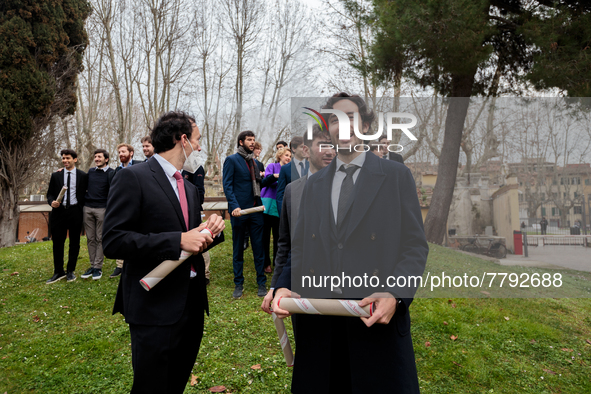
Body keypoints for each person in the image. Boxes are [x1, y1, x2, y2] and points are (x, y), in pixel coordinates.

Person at [272, 93, 428, 393]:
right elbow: (301, 248)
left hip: (375, 329)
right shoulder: (313, 185)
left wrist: (396, 295)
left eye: (350, 117)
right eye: (334, 119)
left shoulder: (396, 176)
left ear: (366, 126)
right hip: (321, 333)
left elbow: (415, 246)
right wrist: (282, 285)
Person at [103, 111, 225, 393]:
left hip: (192, 306)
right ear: (182, 140)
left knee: (175, 384)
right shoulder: (133, 178)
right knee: (151, 386)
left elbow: (191, 237)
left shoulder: (191, 187)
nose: (200, 147)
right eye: (197, 140)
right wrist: (177, 240)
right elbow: (114, 240)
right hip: (154, 307)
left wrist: (210, 231)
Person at [261, 125, 335, 313]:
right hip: (301, 292)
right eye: (323, 145)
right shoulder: (292, 191)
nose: (330, 151)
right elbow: (285, 244)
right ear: (306, 151)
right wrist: (276, 286)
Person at [222, 131, 267, 299]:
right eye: (249, 140)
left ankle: (261, 283)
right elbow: (227, 185)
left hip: (256, 210)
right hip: (239, 212)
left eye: (254, 140)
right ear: (241, 142)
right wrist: (234, 206)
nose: (252, 142)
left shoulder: (254, 162)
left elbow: (259, 183)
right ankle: (238, 283)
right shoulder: (232, 160)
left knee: (258, 248)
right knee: (238, 249)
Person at [45, 149, 88, 284]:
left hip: (75, 212)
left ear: (75, 159)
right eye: (63, 158)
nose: (65, 161)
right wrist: (51, 202)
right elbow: (50, 194)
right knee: (58, 242)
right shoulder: (56, 175)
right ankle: (58, 272)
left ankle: (70, 271)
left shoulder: (83, 176)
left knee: (74, 242)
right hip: (59, 213)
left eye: (68, 158)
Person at [80, 149, 115, 281]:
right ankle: (92, 265)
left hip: (102, 209)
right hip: (88, 208)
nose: (97, 159)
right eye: (95, 157)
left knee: (100, 238)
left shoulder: (112, 173)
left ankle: (98, 267)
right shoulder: (91, 172)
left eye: (99, 157)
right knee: (90, 238)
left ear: (106, 159)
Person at [110, 143, 143, 278]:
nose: (121, 154)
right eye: (119, 152)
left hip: (137, 206)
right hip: (122, 207)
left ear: (131, 153)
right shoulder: (116, 171)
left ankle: (135, 262)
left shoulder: (139, 165)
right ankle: (120, 265)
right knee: (122, 234)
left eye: (123, 152)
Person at [261, 148, 292, 273]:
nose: (288, 157)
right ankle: (266, 263)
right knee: (265, 236)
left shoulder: (291, 170)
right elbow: (264, 181)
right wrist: (275, 176)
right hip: (268, 205)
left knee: (279, 236)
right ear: (280, 156)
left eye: (290, 156)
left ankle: (277, 262)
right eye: (286, 155)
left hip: (281, 206)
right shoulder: (272, 166)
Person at [276, 136, 309, 214]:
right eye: (302, 147)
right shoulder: (285, 169)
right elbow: (280, 193)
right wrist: (283, 214)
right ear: (294, 149)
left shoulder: (313, 166)